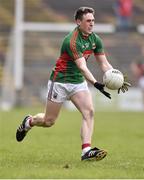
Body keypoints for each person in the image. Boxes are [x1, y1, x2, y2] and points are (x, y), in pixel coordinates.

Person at [16, 7, 131, 161]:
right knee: (49, 121)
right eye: (88, 21)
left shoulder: (95, 39)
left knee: (89, 112)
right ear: (78, 22)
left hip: (78, 83)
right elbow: (82, 67)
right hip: (60, 82)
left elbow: (104, 64)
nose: (91, 24)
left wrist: (117, 77)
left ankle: (86, 151)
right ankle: (29, 122)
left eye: (93, 21)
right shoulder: (72, 41)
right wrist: (96, 83)